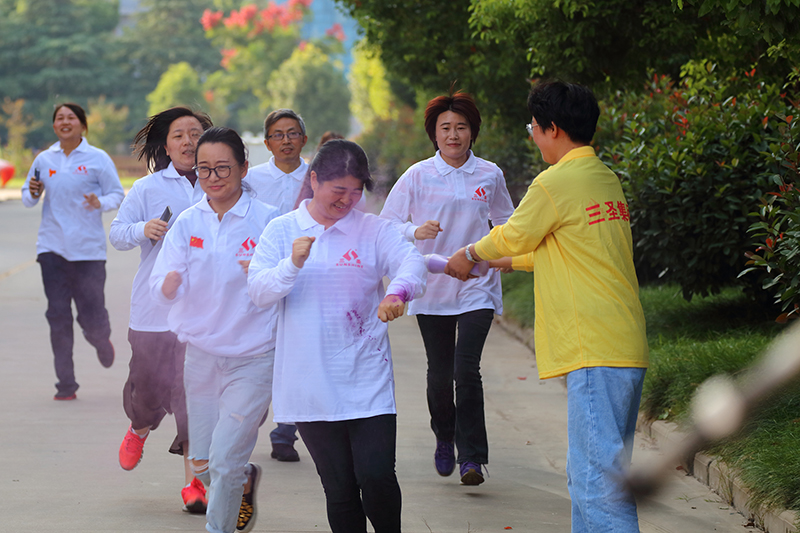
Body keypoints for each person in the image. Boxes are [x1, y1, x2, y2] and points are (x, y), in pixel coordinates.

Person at [445, 80, 649, 533]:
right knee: (593, 476)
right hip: (622, 344)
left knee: (598, 485)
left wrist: (471, 253)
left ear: (552, 128)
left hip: (594, 347)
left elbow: (514, 232)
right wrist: (500, 263)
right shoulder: (603, 178)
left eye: (533, 127)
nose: (533, 136)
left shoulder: (555, 182)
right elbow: (566, 250)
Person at [247, 139, 427, 533]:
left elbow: (411, 262)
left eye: (356, 191)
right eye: (338, 190)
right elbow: (258, 291)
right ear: (314, 180)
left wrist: (397, 292)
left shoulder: (373, 230)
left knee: (377, 477)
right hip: (309, 383)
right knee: (340, 489)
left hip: (366, 378)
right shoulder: (283, 230)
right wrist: (292, 264)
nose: (347, 200)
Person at [379, 90, 514, 485]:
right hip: (433, 286)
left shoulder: (489, 174)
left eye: (461, 127)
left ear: (473, 132)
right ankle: (444, 435)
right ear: (434, 134)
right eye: (445, 128)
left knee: (465, 370)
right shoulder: (417, 175)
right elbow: (386, 224)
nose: (453, 135)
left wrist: (499, 256)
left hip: (477, 285)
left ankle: (472, 458)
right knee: (439, 375)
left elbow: (506, 223)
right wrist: (414, 231)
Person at [150, 127, 280, 533]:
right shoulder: (188, 222)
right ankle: (242, 478)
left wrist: (266, 273)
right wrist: (168, 286)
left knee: (224, 460)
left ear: (243, 168)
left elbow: (290, 280)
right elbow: (160, 283)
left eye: (223, 168)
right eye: (204, 169)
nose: (213, 177)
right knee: (203, 463)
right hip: (201, 357)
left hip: (253, 357)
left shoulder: (269, 221)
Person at [109, 107, 213, 513]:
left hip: (203, 315)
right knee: (147, 393)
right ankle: (139, 428)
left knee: (194, 400)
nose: (188, 141)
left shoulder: (222, 185)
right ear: (166, 147)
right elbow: (118, 234)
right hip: (153, 313)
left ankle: (194, 484)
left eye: (195, 133)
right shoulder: (147, 188)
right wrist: (143, 229)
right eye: (178, 135)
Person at [21, 102, 124, 400]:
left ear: (82, 125)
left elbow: (117, 194)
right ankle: (65, 384)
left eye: (71, 117)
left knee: (91, 315)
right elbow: (28, 197)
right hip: (52, 248)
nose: (65, 122)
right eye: (59, 118)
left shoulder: (97, 158)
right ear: (54, 126)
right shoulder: (44, 159)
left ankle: (100, 339)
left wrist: (100, 202)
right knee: (58, 315)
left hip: (88, 251)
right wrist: (33, 192)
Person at [242, 108, 307, 462]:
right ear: (267, 143)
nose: (286, 141)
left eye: (292, 133)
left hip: (304, 274)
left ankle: (285, 431)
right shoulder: (251, 180)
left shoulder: (316, 178)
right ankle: (246, 423)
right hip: (260, 274)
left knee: (295, 353)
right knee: (260, 352)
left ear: (304, 139)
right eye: (278, 135)